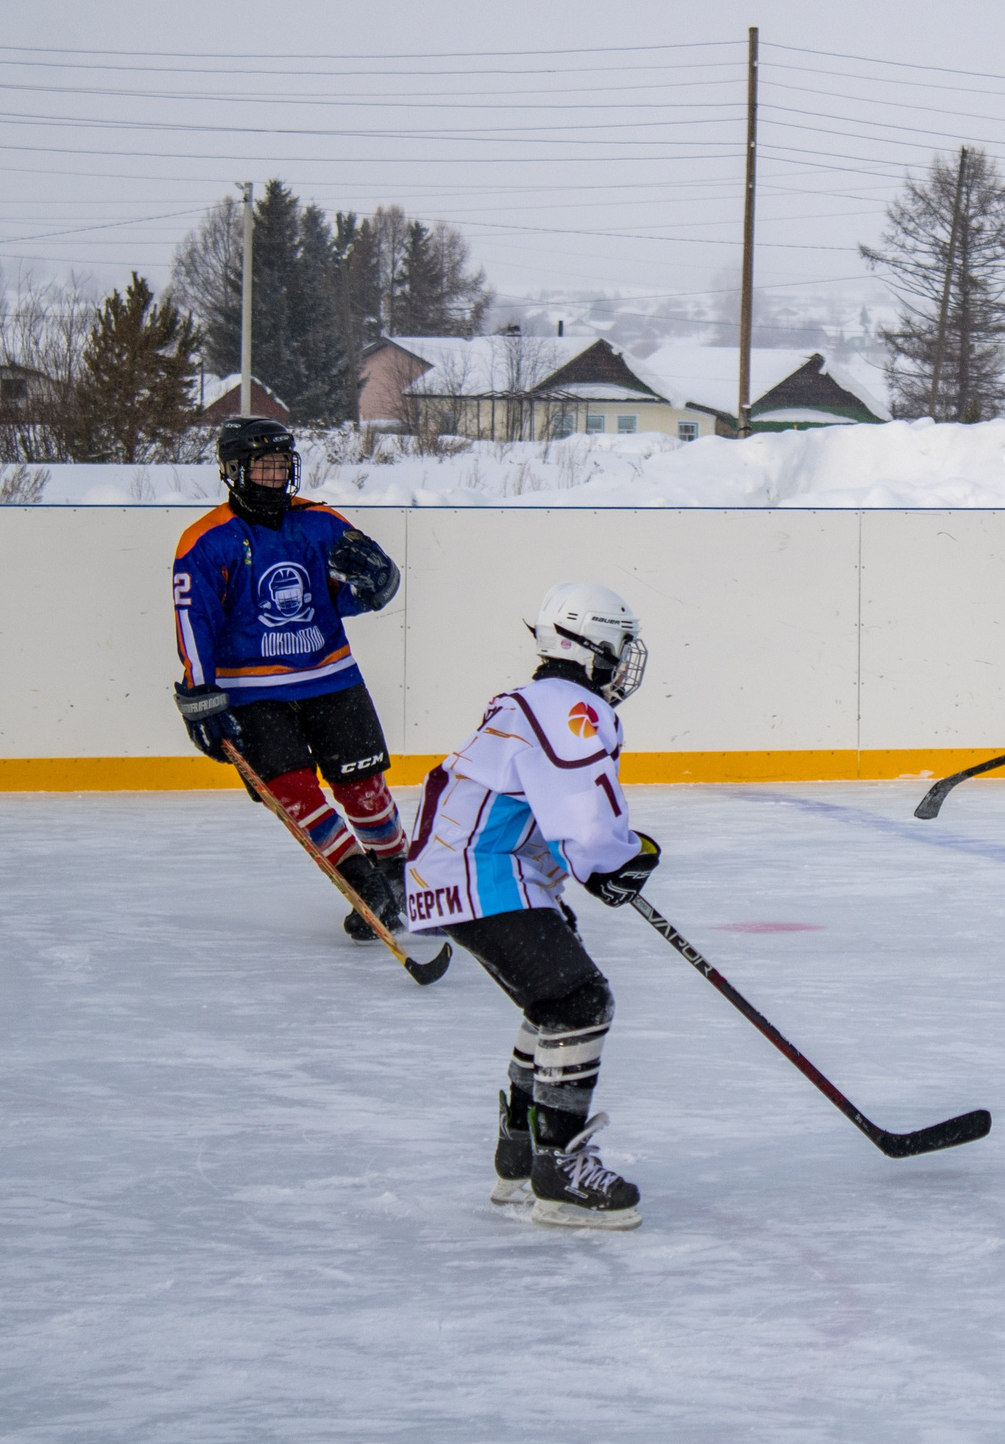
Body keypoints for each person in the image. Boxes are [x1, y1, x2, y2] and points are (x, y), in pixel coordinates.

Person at [401, 582, 659, 1229]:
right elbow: (584, 809)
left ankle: (520, 1154)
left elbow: (549, 804)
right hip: (482, 871)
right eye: (619, 646)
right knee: (579, 1001)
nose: (625, 661)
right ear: (594, 644)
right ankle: (559, 1170)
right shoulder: (570, 706)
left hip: (474, 871)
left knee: (552, 1003)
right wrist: (611, 860)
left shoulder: (536, 702)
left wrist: (607, 859)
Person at [171, 416, 411, 941]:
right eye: (264, 465)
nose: (276, 475)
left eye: (282, 464)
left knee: (363, 786)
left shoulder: (321, 523)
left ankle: (399, 875)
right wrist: (199, 692)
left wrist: (378, 586)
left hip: (331, 676)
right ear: (235, 470)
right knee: (295, 794)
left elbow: (343, 595)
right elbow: (197, 621)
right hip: (252, 694)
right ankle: (365, 887)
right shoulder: (205, 542)